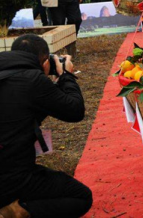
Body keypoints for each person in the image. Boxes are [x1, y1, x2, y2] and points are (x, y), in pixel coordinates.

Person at [0, 34, 92, 218]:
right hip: (11, 177)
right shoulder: (33, 80)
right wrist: (66, 75)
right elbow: (75, 111)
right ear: (44, 63)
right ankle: (13, 211)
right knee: (81, 197)